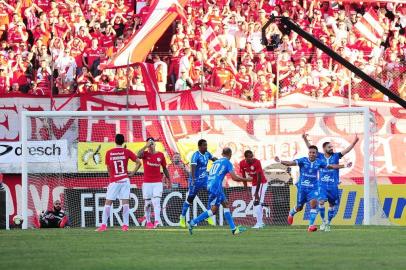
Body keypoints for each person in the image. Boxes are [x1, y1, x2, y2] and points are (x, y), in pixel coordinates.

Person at [275, 145, 350, 232]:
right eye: (310, 152)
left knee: (314, 204)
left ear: (316, 154)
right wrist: (280, 161)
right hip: (302, 188)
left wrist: (344, 165)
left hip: (313, 188)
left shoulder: (319, 162)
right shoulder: (303, 160)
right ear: (308, 153)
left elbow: (331, 166)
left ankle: (311, 226)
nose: (311, 154)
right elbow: (291, 163)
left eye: (313, 153)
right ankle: (292, 213)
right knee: (299, 207)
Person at [188, 147, 252, 235]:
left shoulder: (216, 162)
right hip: (216, 185)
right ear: (230, 155)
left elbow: (211, 173)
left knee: (220, 206)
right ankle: (233, 229)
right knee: (219, 207)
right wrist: (247, 180)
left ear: (222, 154)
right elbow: (234, 178)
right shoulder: (227, 162)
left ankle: (192, 223)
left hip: (210, 184)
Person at [302, 134, 359, 231]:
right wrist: (305, 139)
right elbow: (310, 148)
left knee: (332, 206)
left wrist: (354, 142)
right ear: (324, 149)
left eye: (332, 147)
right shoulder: (319, 156)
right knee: (321, 202)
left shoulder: (336, 156)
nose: (331, 148)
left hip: (333, 185)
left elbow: (347, 150)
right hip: (322, 185)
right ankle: (324, 221)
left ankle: (328, 222)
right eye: (329, 147)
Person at [97, 134, 140, 232]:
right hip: (125, 180)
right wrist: (133, 173)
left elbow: (108, 169)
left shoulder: (109, 153)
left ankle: (103, 225)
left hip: (114, 180)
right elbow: (139, 162)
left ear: (114, 141)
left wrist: (112, 175)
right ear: (123, 141)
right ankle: (125, 226)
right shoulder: (127, 151)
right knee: (125, 203)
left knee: (108, 203)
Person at [179, 139, 217, 228]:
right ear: (199, 147)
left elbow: (213, 159)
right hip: (195, 180)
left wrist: (220, 161)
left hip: (205, 179)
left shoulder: (207, 153)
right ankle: (182, 217)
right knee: (190, 199)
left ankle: (208, 216)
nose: (206, 147)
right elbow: (192, 168)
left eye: (206, 145)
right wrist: (192, 180)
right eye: (204, 145)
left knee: (212, 194)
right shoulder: (195, 155)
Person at [136, 137, 170, 229]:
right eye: (149, 143)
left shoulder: (161, 155)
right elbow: (138, 155)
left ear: (155, 144)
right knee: (147, 204)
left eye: (152, 143)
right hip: (147, 183)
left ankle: (157, 221)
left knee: (157, 201)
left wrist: (169, 179)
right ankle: (148, 222)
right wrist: (145, 146)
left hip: (157, 183)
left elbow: (165, 168)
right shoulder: (145, 154)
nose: (151, 145)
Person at [239, 150, 267, 229]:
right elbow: (243, 177)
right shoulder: (242, 163)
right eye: (249, 157)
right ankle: (261, 223)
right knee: (257, 203)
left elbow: (259, 178)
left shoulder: (257, 162)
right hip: (254, 184)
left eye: (252, 156)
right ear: (246, 158)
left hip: (262, 183)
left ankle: (259, 223)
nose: (251, 158)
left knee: (256, 202)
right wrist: (246, 189)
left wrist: (256, 192)